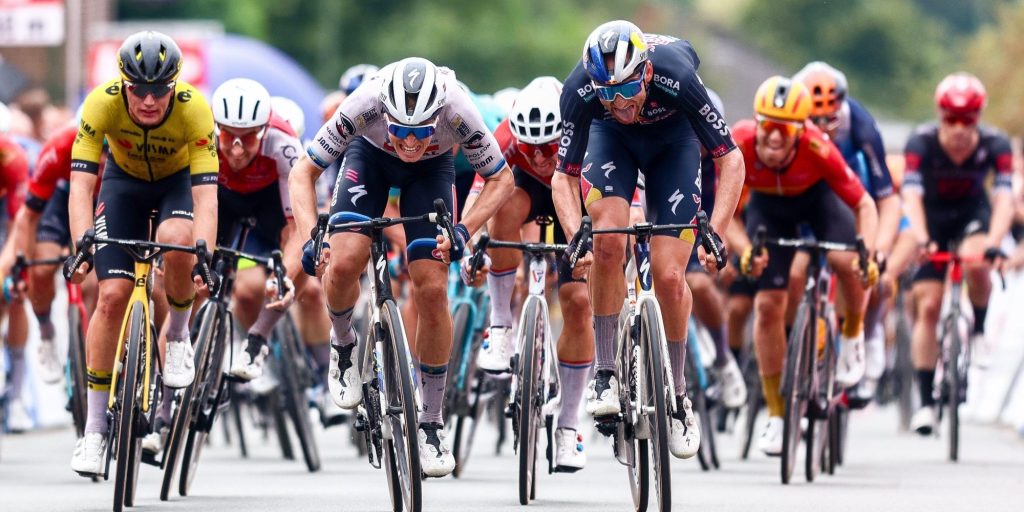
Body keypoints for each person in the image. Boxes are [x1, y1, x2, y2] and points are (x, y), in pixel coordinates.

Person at [291, 57, 514, 477]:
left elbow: (502, 180)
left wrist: (464, 230)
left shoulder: (458, 109)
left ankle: (430, 422)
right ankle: (343, 346)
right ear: (386, 114)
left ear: (438, 116)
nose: (410, 143)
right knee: (343, 262)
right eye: (403, 131)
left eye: (420, 132)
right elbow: (303, 171)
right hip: (369, 159)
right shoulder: (365, 103)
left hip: (431, 173)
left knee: (431, 288)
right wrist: (309, 236)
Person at [552, 20, 745, 460]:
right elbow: (562, 176)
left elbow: (731, 161)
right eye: (608, 93)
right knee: (607, 241)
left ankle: (678, 397)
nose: (619, 103)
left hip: (672, 145)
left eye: (627, 90)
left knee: (672, 276)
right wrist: (571, 235)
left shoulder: (676, 72)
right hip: (611, 145)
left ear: (645, 73)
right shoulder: (580, 89)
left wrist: (714, 230)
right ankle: (605, 372)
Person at [67, 31, 219, 476]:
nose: (149, 101)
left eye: (159, 91)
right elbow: (81, 185)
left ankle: (176, 332)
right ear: (124, 85)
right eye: (139, 90)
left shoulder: (195, 109)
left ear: (174, 86)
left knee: (177, 236)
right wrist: (82, 242)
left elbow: (206, 199)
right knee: (110, 296)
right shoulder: (100, 104)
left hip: (176, 186)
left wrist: (202, 251)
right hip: (123, 185)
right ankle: (94, 430)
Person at [726, 76, 879, 456]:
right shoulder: (739, 142)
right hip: (768, 210)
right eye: (768, 126)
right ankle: (776, 416)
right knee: (767, 306)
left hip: (817, 202)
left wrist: (869, 254)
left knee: (848, 262)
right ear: (757, 123)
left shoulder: (818, 147)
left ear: (802, 130)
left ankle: (853, 337)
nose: (775, 138)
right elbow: (723, 211)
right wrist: (744, 250)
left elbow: (865, 205)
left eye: (785, 129)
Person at [465, 77, 593, 471]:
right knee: (502, 206)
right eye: (530, 148)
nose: (539, 158)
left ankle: (569, 424)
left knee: (577, 304)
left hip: (573, 194)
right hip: (524, 194)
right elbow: (478, 197)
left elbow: (603, 209)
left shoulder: (584, 136)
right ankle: (501, 324)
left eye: (548, 147)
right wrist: (472, 247)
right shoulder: (504, 137)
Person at [903, 72, 1013, 435]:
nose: (960, 129)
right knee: (929, 306)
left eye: (968, 120)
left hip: (971, 215)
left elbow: (1003, 198)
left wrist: (996, 239)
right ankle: (925, 402)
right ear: (940, 115)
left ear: (978, 118)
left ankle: (978, 330)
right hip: (931, 220)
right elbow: (912, 196)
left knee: (977, 261)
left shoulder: (996, 144)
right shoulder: (921, 141)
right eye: (951, 118)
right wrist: (920, 238)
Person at [794, 61, 910, 402]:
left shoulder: (858, 123)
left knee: (863, 270)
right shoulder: (788, 122)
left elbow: (886, 199)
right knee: (794, 271)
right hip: (807, 197)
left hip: (856, 195)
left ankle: (859, 335)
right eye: (814, 123)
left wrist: (877, 250)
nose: (824, 131)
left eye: (830, 121)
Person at [0, 124, 101, 388]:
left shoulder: (126, 147)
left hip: (105, 197)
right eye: (97, 147)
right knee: (42, 268)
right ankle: (46, 331)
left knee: (96, 283)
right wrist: (20, 271)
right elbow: (27, 218)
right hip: (61, 196)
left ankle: (95, 350)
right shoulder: (57, 148)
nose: (101, 157)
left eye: (107, 148)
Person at [0, 131, 30, 431]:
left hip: (9, 220)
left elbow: (17, 228)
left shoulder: (12, 158)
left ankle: (18, 396)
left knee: (16, 287)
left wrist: (4, 267)